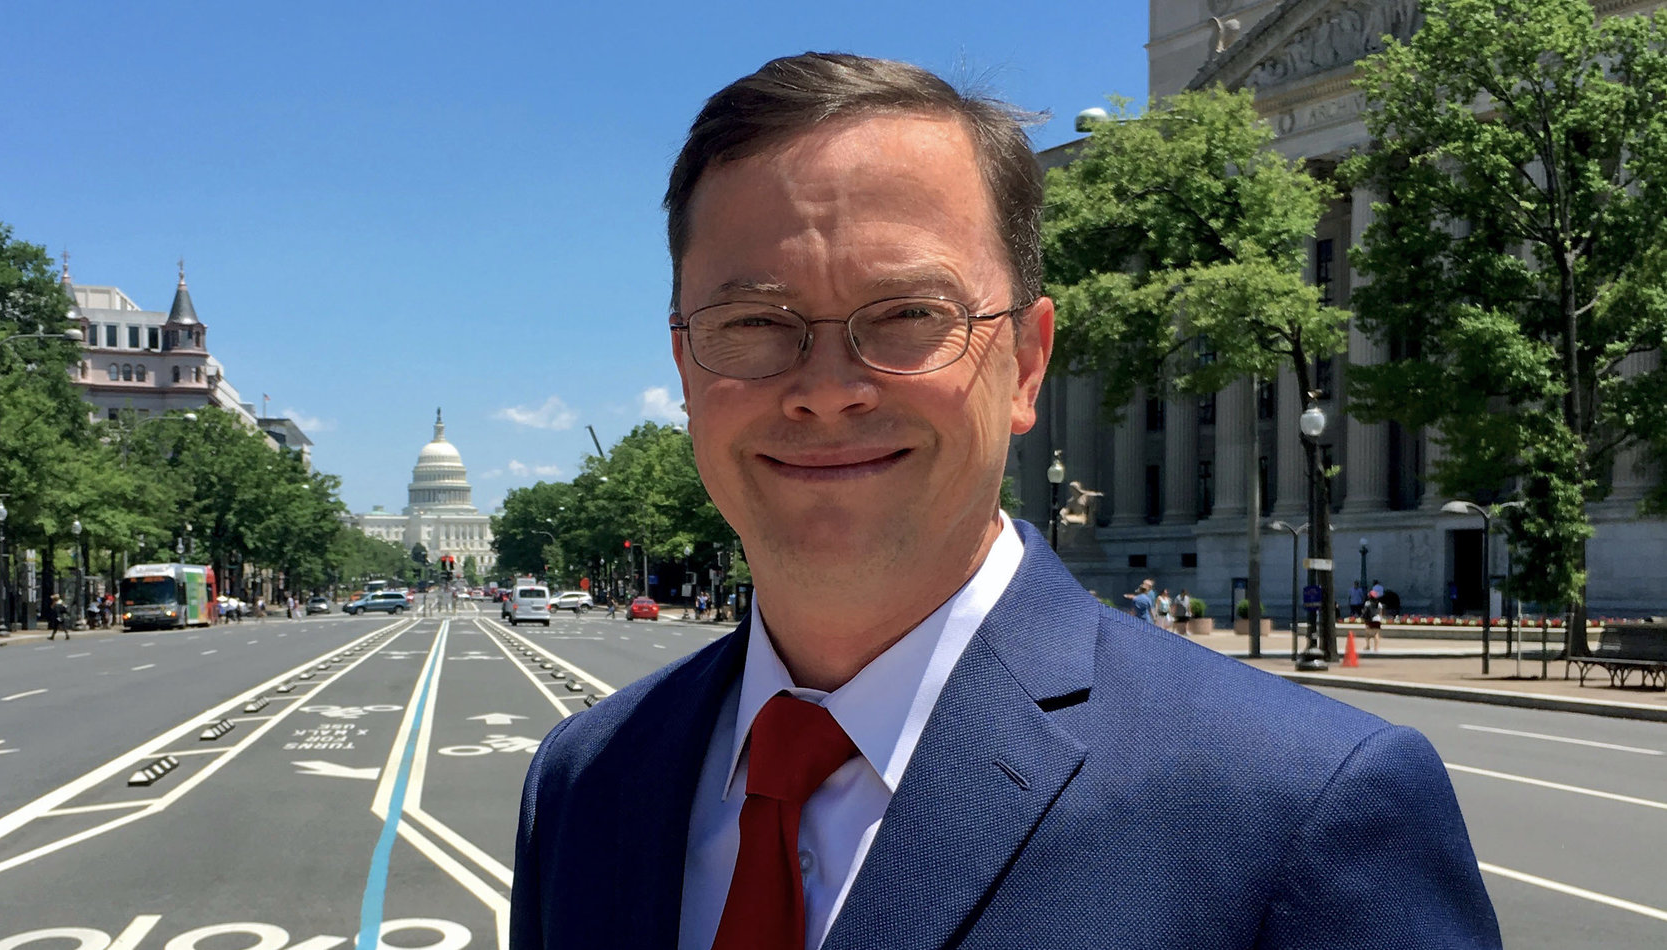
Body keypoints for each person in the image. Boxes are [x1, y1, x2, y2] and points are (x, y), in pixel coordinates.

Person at [511, 52, 1499, 950]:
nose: (824, 385)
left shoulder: (1304, 805)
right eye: (753, 321)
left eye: (905, 315)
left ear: (1026, 362)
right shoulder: (583, 781)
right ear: (685, 366)